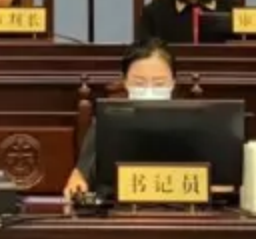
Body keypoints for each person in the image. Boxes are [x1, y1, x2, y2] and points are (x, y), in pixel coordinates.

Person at [62, 38, 176, 199]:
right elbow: (79, 179)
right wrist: (77, 188)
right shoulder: (106, 123)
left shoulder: (195, 123)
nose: (149, 90)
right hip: (116, 209)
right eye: (139, 83)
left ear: (173, 82)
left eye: (159, 83)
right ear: (125, 82)